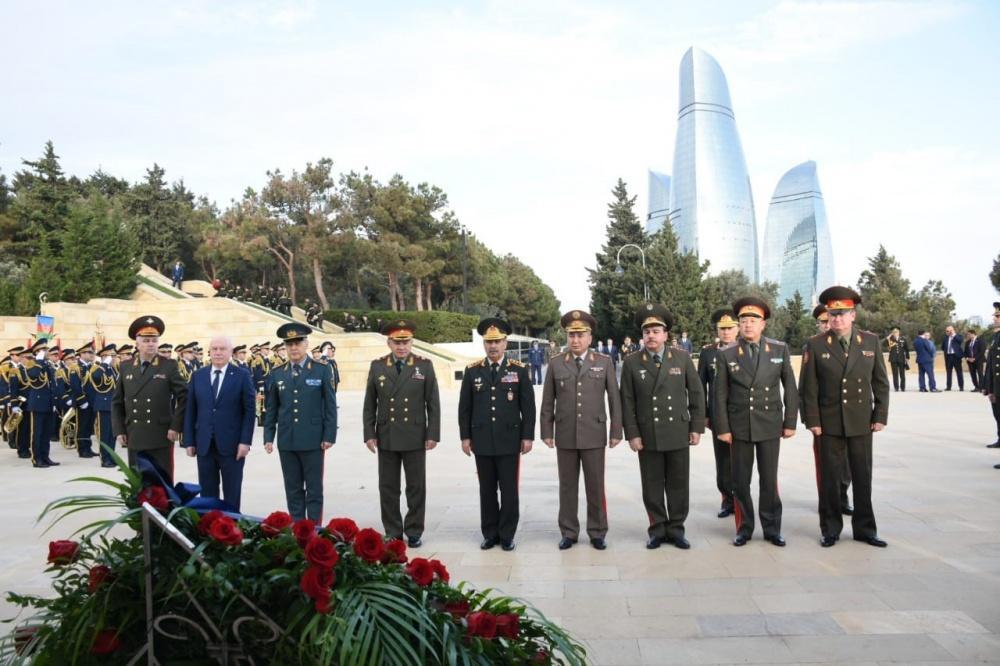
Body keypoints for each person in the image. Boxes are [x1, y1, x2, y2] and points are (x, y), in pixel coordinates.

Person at [799, 286, 890, 548]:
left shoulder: (870, 341)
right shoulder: (816, 345)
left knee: (862, 477)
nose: (836, 319)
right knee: (830, 478)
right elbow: (809, 387)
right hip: (829, 424)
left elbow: (880, 382)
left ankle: (865, 529)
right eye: (832, 314)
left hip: (861, 420)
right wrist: (812, 421)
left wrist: (880, 414)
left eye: (842, 313)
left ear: (853, 315)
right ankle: (830, 529)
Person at [713, 297, 798, 547]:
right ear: (738, 325)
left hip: (770, 424)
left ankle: (772, 528)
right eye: (744, 320)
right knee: (740, 481)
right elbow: (719, 394)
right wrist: (723, 428)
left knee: (769, 480)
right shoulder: (727, 353)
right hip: (739, 427)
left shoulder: (779, 349)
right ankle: (744, 527)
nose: (748, 325)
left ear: (764, 324)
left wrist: (790, 421)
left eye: (753, 320)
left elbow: (790, 388)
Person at [620, 303, 704, 550]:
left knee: (678, 484)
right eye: (647, 331)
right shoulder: (632, 362)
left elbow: (697, 394)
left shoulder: (682, 357)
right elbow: (627, 401)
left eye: (656, 330)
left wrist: (696, 427)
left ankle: (676, 529)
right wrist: (632, 434)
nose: (651, 335)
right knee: (652, 485)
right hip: (648, 434)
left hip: (677, 431)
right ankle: (657, 529)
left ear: (666, 334)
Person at [540, 310, 622, 550]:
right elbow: (547, 400)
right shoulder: (556, 363)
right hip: (565, 433)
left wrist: (616, 430)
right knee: (567, 486)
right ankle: (569, 531)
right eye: (571, 335)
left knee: (595, 485)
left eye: (580, 335)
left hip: (594, 433)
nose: (575, 340)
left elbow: (614, 400)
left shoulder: (603, 362)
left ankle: (597, 531)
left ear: (589, 337)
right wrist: (547, 430)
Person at [458, 318, 535, 551]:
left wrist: (527, 436)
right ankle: (490, 533)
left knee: (509, 490)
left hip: (509, 440)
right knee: (487, 490)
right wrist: (465, 437)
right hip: (481, 440)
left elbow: (528, 407)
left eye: (497, 342)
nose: (493, 346)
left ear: (505, 343)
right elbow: (465, 407)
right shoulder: (473, 371)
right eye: (488, 342)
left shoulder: (518, 370)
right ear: (484, 344)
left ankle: (507, 534)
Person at [363, 320, 440, 547]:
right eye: (397, 342)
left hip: (415, 434)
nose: (401, 347)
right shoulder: (378, 366)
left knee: (416, 486)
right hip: (386, 434)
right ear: (389, 342)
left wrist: (432, 434)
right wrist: (369, 433)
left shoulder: (424, 366)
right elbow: (370, 403)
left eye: (405, 342)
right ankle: (393, 530)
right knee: (388, 486)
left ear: (412, 342)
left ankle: (414, 530)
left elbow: (433, 403)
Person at [263, 323, 337, 521]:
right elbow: (272, 408)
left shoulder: (321, 370)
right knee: (293, 488)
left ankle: (314, 529)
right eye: (289, 344)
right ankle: (298, 528)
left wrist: (329, 435)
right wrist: (268, 436)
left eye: (297, 343)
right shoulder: (278, 372)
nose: (293, 348)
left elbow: (330, 405)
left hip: (313, 439)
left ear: (306, 344)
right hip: (287, 440)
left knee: (313, 489)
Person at [184, 336, 256, 512]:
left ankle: (231, 530)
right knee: (207, 494)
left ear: (231, 352)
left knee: (232, 492)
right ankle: (210, 532)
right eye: (214, 349)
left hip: (232, 445)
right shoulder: (198, 376)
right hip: (204, 445)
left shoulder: (242, 375)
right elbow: (191, 410)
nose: (217, 352)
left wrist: (245, 441)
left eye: (222, 349)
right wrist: (189, 441)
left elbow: (249, 412)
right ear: (209, 351)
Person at [111, 316, 188, 481]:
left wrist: (176, 426)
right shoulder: (126, 367)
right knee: (138, 483)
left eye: (154, 340)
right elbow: (117, 402)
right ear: (137, 344)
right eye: (146, 340)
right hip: (135, 434)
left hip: (161, 434)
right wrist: (119, 430)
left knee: (162, 483)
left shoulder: (168, 365)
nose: (151, 344)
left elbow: (185, 396)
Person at [698, 308, 739, 519]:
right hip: (718, 415)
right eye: (722, 329)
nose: (726, 332)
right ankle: (727, 499)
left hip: (742, 415)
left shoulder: (746, 349)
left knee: (742, 459)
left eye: (730, 328)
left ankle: (742, 499)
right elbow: (700, 386)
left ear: (738, 328)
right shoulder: (708, 352)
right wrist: (704, 414)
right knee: (722, 460)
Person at [812, 305, 853, 514]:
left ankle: (842, 496)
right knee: (825, 464)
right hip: (825, 417)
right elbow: (808, 387)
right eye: (824, 321)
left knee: (846, 463)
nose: (828, 324)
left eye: (830, 320)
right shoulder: (813, 346)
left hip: (849, 417)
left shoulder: (852, 343)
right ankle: (826, 500)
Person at [10, 339, 61, 468]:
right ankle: (36, 459)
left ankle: (45, 456)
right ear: (38, 352)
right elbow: (33, 377)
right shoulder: (31, 365)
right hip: (37, 403)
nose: (47, 352)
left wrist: (54, 402)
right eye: (44, 350)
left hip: (48, 403)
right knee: (37, 433)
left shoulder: (46, 364)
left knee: (46, 432)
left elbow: (51, 385)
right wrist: (38, 361)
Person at [89, 344, 119, 468]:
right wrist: (104, 364)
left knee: (112, 435)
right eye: (111, 356)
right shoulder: (97, 368)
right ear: (104, 357)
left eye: (114, 356)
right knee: (104, 434)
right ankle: (104, 458)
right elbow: (96, 377)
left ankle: (111, 457)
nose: (113, 358)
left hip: (113, 405)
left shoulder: (113, 369)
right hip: (103, 405)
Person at [984, 303, 1000, 456]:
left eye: (997, 316)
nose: (994, 318)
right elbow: (991, 365)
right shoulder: (996, 336)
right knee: (998, 416)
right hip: (996, 387)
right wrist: (989, 388)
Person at [941, 325, 965, 391]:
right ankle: (948, 387)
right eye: (947, 331)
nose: (948, 332)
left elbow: (960, 341)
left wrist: (953, 335)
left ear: (953, 330)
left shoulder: (958, 336)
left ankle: (961, 386)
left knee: (959, 372)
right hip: (948, 356)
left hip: (956, 356)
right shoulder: (945, 338)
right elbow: (943, 347)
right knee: (948, 372)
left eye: (949, 331)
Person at [885, 326, 910, 391]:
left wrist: (907, 357)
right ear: (892, 333)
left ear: (899, 332)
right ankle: (896, 387)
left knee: (902, 374)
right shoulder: (890, 339)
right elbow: (884, 345)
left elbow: (906, 349)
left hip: (901, 358)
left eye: (896, 332)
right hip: (893, 359)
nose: (895, 333)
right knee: (895, 374)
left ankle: (903, 387)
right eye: (894, 332)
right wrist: (887, 338)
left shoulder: (903, 339)